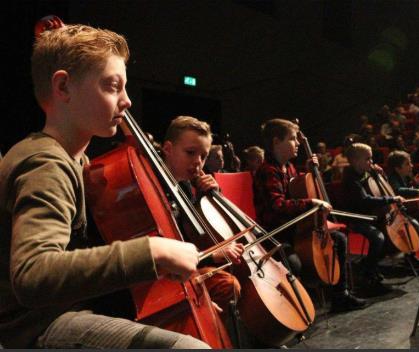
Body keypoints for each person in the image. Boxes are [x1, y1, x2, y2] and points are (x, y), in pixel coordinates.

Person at [0, 23, 210, 349]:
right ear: (64, 87)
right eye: (113, 86)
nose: (126, 101)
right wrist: (152, 250)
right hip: (33, 326)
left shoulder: (78, 162)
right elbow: (33, 273)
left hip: (63, 310)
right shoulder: (45, 163)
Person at [253, 119, 366, 312]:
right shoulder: (268, 171)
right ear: (276, 142)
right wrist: (312, 203)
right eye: (292, 139)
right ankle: (296, 308)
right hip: (277, 233)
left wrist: (309, 172)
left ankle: (340, 296)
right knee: (295, 263)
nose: (297, 143)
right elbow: (278, 205)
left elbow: (297, 192)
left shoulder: (289, 168)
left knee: (337, 239)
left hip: (296, 229)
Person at [161, 116, 243, 316]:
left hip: (189, 263)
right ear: (168, 149)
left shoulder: (186, 186)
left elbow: (194, 231)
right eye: (190, 152)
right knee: (227, 284)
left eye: (203, 156)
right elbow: (169, 246)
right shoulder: (154, 185)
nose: (198, 162)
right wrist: (211, 255)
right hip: (166, 273)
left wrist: (213, 195)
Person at [341, 143, 405, 296]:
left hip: (372, 216)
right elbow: (365, 200)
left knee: (389, 236)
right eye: (368, 159)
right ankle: (367, 274)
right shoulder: (350, 178)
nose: (371, 162)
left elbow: (379, 190)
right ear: (356, 161)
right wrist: (391, 199)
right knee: (378, 238)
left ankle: (369, 266)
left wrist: (381, 176)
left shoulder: (366, 173)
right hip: (357, 218)